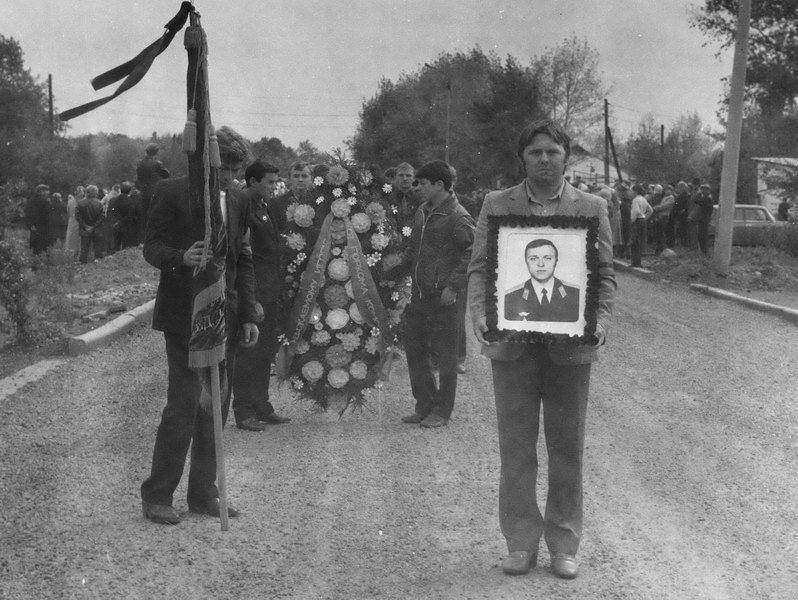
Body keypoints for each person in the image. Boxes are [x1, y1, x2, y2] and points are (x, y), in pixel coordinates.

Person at [468, 119, 616, 580]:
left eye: (553, 152)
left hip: (570, 353)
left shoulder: (592, 207)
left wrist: (600, 323)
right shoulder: (497, 204)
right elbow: (479, 269)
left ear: (566, 157)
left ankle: (564, 543)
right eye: (536, 153)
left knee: (567, 449)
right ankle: (520, 542)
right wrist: (480, 315)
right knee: (516, 450)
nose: (545, 160)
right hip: (512, 348)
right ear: (523, 158)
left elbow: (605, 275)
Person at [140, 126, 260, 525]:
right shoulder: (172, 191)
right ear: (206, 162)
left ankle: (203, 492)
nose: (231, 178)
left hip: (226, 316)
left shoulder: (238, 199)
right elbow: (151, 247)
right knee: (184, 404)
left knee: (217, 405)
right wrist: (181, 257)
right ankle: (158, 495)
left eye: (237, 171)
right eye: (225, 169)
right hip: (184, 316)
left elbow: (243, 258)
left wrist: (248, 314)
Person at [393, 160, 474, 428]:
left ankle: (442, 411)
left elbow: (472, 252)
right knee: (415, 350)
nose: (418, 188)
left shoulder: (458, 216)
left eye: (423, 184)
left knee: (446, 356)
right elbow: (414, 248)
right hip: (419, 295)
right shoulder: (422, 211)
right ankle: (424, 404)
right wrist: (394, 271)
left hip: (444, 298)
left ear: (440, 185)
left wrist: (453, 287)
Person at [232, 160, 291, 431]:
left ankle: (262, 406)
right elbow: (245, 259)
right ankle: (244, 411)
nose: (275, 187)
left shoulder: (263, 205)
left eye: (276, 182)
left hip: (270, 291)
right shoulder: (243, 206)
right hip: (254, 294)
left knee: (265, 352)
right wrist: (252, 300)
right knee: (248, 355)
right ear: (253, 181)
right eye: (270, 182)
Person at [503, 238, 580, 322]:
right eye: (533, 258)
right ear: (526, 262)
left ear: (556, 261)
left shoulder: (576, 294)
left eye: (548, 258)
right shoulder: (509, 298)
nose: (541, 264)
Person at [135, 142, 170, 233]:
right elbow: (166, 174)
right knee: (156, 213)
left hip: (143, 191)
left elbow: (138, 178)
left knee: (145, 214)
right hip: (155, 191)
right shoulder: (157, 163)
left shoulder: (140, 163)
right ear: (155, 152)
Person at [75, 185, 105, 263]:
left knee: (84, 250)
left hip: (84, 230)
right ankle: (98, 265)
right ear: (95, 193)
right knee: (98, 250)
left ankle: (83, 264)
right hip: (97, 230)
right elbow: (102, 217)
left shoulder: (80, 203)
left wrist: (85, 226)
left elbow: (77, 216)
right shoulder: (99, 203)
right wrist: (94, 226)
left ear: (87, 192)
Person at [109, 182, 141, 250]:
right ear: (129, 190)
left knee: (116, 245)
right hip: (127, 227)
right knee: (126, 247)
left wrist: (116, 222)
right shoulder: (132, 202)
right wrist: (121, 222)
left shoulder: (113, 200)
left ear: (120, 189)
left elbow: (111, 211)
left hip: (116, 226)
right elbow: (130, 215)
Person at [390, 162, 419, 230]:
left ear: (414, 178)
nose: (405, 178)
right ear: (395, 177)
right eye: (401, 175)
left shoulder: (420, 197)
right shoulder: (389, 197)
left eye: (408, 175)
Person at [629, 184, 653, 267]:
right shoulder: (643, 199)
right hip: (642, 220)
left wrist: (632, 220)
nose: (631, 193)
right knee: (640, 241)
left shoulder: (635, 200)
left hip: (637, 220)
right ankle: (638, 261)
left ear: (635, 191)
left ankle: (635, 262)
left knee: (634, 241)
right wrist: (645, 217)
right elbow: (650, 210)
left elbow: (636, 211)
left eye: (632, 191)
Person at [25, 184, 51, 255]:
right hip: (44, 228)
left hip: (34, 228)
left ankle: (35, 260)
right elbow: (48, 216)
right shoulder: (45, 201)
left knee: (35, 249)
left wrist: (30, 225)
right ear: (41, 191)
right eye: (47, 191)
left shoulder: (30, 200)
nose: (48, 193)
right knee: (44, 249)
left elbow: (27, 215)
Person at [690, 183, 714, 254]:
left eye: (704, 189)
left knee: (703, 235)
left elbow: (696, 201)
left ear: (708, 190)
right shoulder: (705, 198)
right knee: (701, 235)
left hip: (704, 219)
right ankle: (703, 251)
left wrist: (698, 194)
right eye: (702, 189)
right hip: (702, 219)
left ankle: (705, 251)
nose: (703, 191)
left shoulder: (708, 198)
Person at [64, 188, 82, 258]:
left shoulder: (70, 201)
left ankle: (71, 253)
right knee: (75, 238)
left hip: (72, 220)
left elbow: (68, 212)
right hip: (76, 221)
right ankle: (74, 253)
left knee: (71, 237)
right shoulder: (80, 202)